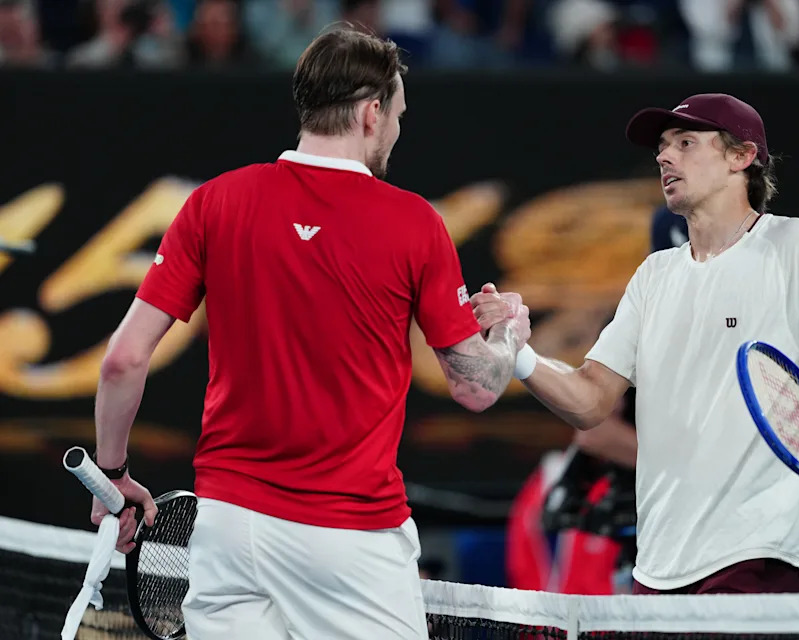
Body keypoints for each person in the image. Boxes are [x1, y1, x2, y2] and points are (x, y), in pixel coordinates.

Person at [88, 28, 530, 640]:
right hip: (350, 540)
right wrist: (508, 335)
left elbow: (122, 359)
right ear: (372, 112)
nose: (397, 131)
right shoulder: (415, 224)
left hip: (227, 529)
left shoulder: (214, 202)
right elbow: (476, 388)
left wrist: (111, 476)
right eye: (397, 115)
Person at [472, 93, 799, 595]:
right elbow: (591, 399)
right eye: (662, 147)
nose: (664, 157)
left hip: (755, 561)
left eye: (685, 143)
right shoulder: (653, 275)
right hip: (655, 570)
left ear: (741, 157)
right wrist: (519, 353)